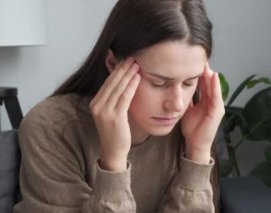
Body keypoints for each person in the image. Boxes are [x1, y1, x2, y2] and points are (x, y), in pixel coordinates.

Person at [13, 0, 224, 212]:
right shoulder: (51, 128)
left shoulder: (192, 127)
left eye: (189, 82)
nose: (177, 104)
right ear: (113, 64)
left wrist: (197, 152)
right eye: (159, 83)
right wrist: (113, 164)